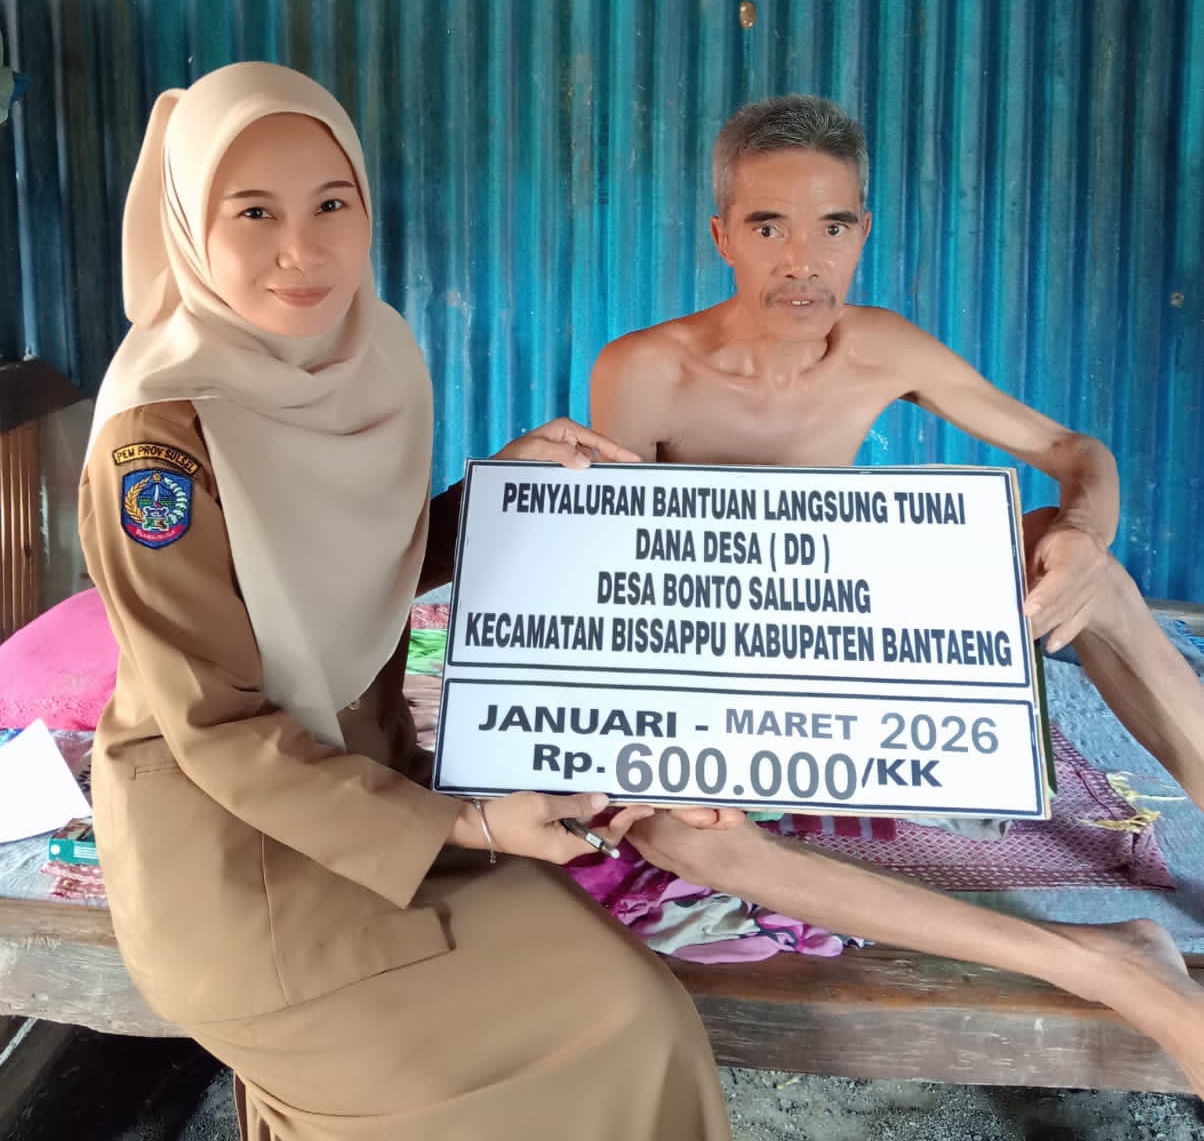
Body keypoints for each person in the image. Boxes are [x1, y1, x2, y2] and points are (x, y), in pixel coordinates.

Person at [80, 62, 730, 1141]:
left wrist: (500, 493)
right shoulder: (157, 445)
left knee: (634, 1008)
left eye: (332, 204)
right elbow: (217, 724)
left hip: (376, 789)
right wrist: (468, 821)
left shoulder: (368, 357)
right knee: (613, 1027)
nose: (304, 250)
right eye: (254, 213)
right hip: (241, 861)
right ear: (189, 226)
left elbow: (349, 569)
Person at [590, 93, 1204, 1096]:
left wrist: (1084, 536)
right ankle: (1116, 964)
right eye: (768, 226)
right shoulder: (647, 371)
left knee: (1074, 560)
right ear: (722, 237)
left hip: (857, 638)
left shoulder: (882, 347)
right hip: (724, 666)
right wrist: (671, 742)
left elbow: (1072, 450)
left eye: (832, 227)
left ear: (862, 233)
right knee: (667, 830)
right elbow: (612, 577)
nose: (803, 261)